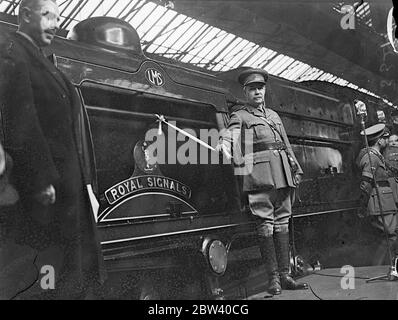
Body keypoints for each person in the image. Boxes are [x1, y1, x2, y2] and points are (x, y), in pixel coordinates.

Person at [0, 0, 105, 299]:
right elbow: (20, 119)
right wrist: (39, 179)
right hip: (47, 189)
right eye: (47, 15)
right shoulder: (12, 52)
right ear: (25, 15)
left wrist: (85, 182)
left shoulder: (39, 58)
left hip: (66, 184)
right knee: (52, 267)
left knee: (69, 268)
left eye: (58, 17)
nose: (56, 23)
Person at [217, 68, 307, 295]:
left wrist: (295, 166)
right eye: (252, 89)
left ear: (265, 90)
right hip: (260, 177)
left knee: (283, 223)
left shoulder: (274, 116)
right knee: (265, 226)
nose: (257, 92)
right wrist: (225, 144)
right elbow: (231, 134)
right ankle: (273, 279)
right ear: (245, 92)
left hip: (283, 174)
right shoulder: (240, 115)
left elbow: (285, 143)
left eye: (260, 88)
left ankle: (286, 275)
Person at [357, 123, 398, 266]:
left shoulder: (377, 156)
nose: (387, 141)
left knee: (390, 236)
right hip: (379, 201)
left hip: (385, 201)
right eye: (385, 138)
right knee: (390, 236)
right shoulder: (371, 158)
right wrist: (362, 206)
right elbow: (366, 183)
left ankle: (388, 267)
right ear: (379, 140)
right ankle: (379, 267)